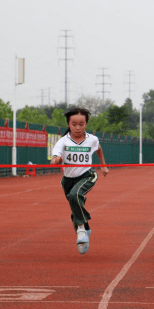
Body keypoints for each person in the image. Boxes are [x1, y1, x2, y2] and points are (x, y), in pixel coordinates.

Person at [51, 108, 109, 255]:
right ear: (69, 124)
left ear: (86, 124)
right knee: (75, 206)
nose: (78, 127)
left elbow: (99, 149)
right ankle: (86, 229)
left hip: (87, 175)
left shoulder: (92, 139)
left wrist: (103, 165)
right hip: (68, 180)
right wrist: (56, 160)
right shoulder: (63, 141)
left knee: (75, 196)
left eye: (81, 124)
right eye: (74, 124)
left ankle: (81, 230)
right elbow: (54, 159)